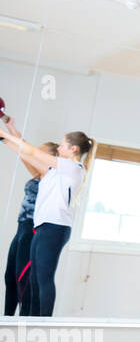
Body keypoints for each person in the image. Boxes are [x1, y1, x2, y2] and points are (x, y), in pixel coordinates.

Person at [0, 125, 94, 317]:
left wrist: (3, 134)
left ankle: (44, 324)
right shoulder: (53, 171)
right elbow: (27, 153)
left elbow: (33, 151)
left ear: (73, 149)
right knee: (34, 280)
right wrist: (5, 139)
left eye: (62, 145)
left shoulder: (74, 168)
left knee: (43, 278)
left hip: (56, 227)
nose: (59, 148)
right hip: (43, 227)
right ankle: (32, 323)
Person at [4, 140, 58, 316]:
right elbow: (24, 151)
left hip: (31, 230)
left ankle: (24, 323)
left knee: (23, 280)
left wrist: (5, 137)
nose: (35, 153)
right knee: (10, 277)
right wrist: (9, 127)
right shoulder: (37, 173)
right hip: (21, 228)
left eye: (40, 152)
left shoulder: (49, 174)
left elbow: (26, 153)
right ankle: (7, 321)